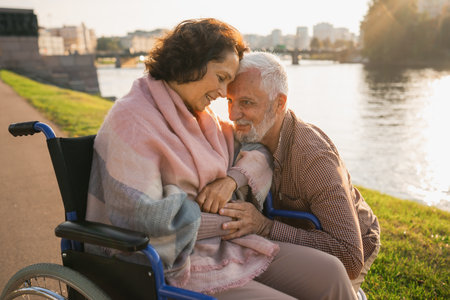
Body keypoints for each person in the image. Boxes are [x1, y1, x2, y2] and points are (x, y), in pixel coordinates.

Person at [85, 19, 356, 299]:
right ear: (190, 63)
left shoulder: (201, 117)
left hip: (226, 245)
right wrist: (226, 222)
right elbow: (142, 220)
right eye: (221, 77)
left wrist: (231, 180)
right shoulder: (130, 121)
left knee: (331, 274)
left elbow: (258, 151)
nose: (224, 92)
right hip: (171, 264)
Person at [217, 51, 381, 294]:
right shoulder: (251, 135)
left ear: (280, 103)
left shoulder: (313, 158)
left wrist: (265, 226)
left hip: (350, 249)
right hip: (290, 240)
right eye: (230, 101)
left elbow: (349, 256)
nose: (232, 114)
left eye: (246, 103)